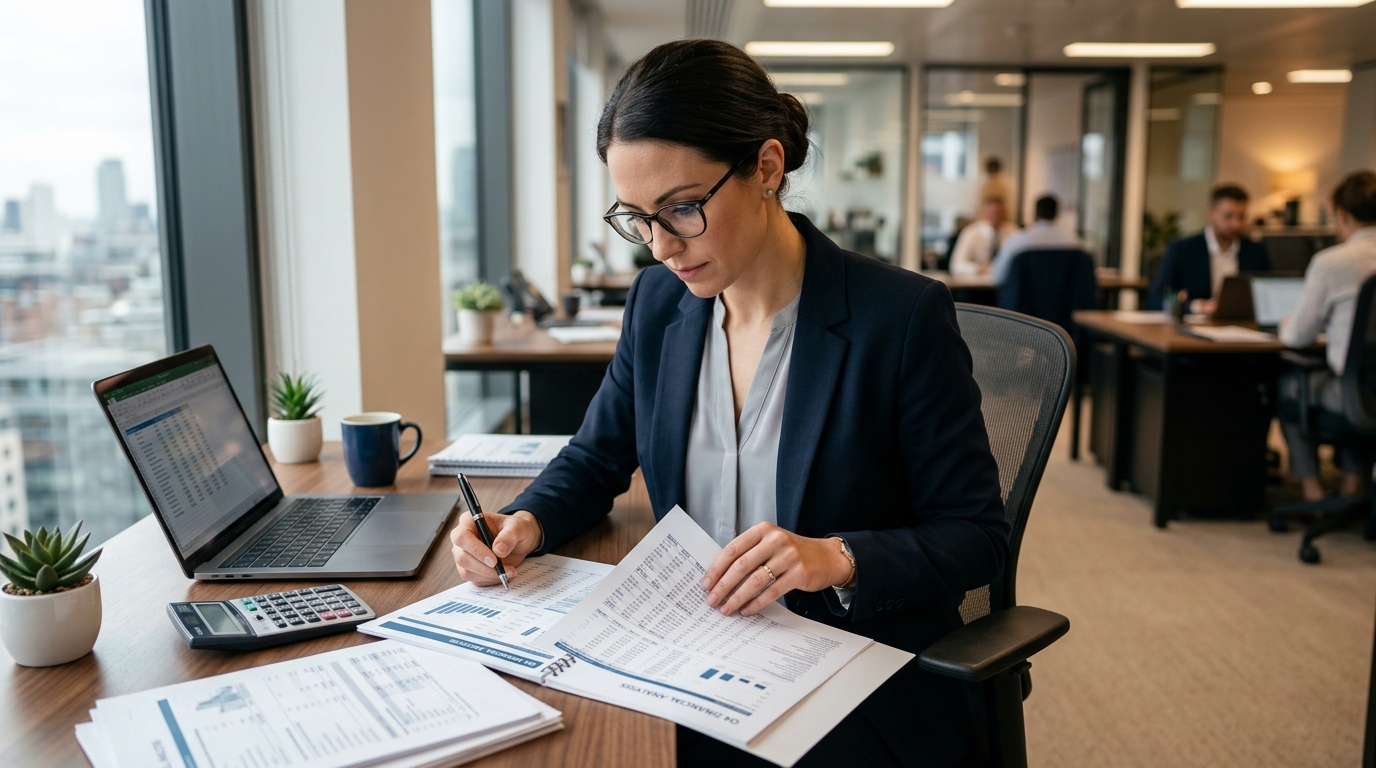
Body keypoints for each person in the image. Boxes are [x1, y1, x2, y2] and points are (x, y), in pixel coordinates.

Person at [447, 39, 1008, 768]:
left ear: (767, 168)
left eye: (682, 209)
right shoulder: (658, 305)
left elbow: (976, 535)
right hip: (692, 656)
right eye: (638, 217)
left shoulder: (897, 319)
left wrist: (835, 558)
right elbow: (595, 457)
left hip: (846, 672)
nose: (660, 247)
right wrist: (525, 519)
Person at [1278, 171, 1376, 501]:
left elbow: (1297, 336)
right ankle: (1353, 482)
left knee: (1290, 386)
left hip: (1357, 392)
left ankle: (1312, 491)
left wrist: (1285, 324)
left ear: (1342, 214)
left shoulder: (1331, 262)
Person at [1148, 183, 1271, 312]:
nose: (1236, 224)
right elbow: (1157, 298)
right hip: (1194, 324)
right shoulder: (1182, 250)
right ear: (1211, 214)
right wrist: (1193, 306)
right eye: (1228, 216)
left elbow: (1268, 295)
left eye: (1242, 217)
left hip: (1242, 325)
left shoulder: (1255, 251)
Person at [990, 194, 1083, 286]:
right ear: (1056, 214)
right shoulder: (1074, 243)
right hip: (1064, 300)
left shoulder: (1017, 241)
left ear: (1035, 214)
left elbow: (998, 277)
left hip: (1023, 299)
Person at [950, 195, 1018, 276]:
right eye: (992, 212)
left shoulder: (1013, 232)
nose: (995, 216)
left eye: (998, 212)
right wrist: (978, 268)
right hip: (976, 285)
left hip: (1005, 283)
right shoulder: (971, 232)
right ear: (985, 213)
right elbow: (956, 266)